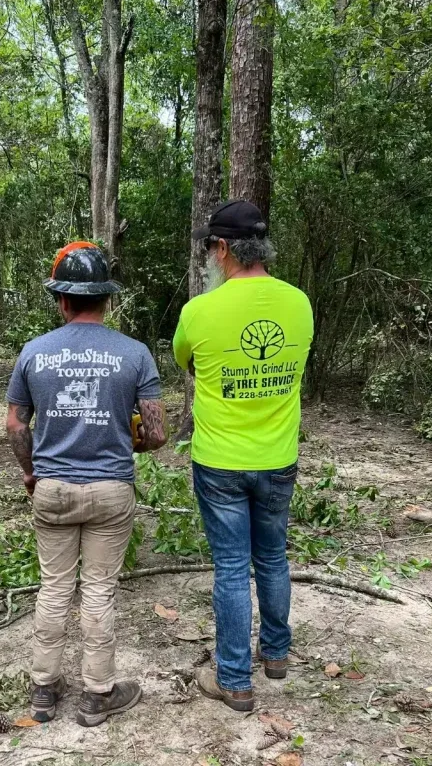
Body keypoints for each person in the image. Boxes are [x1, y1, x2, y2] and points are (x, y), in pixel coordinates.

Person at [6, 242, 168, 727]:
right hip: (111, 491)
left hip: (52, 488)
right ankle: (97, 695)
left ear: (62, 300)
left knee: (54, 587)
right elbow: (157, 432)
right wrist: (129, 443)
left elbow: (15, 425)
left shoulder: (34, 352)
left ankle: (44, 689)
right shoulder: (135, 354)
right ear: (107, 299)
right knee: (99, 589)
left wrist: (31, 472)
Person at [173, 199, 313, 711]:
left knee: (232, 567)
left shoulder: (199, 311)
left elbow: (187, 362)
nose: (212, 255)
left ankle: (234, 680)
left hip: (220, 461)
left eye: (212, 247)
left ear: (224, 249)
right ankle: (275, 655)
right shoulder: (299, 304)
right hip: (278, 457)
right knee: (272, 556)